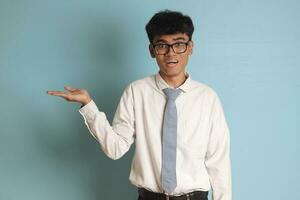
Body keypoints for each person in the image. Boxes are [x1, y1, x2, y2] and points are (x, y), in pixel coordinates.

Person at [47, 9, 232, 200]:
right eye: (162, 45)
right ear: (152, 50)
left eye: (179, 44)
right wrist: (88, 105)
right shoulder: (136, 92)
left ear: (190, 47)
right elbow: (115, 148)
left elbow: (219, 162)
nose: (170, 53)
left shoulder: (207, 98)